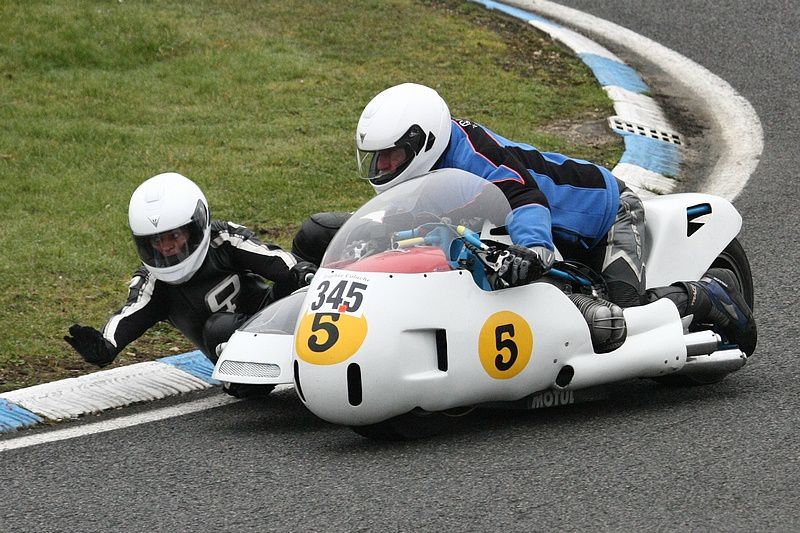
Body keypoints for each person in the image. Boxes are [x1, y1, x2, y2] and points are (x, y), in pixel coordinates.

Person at [301, 83, 756, 355]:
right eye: (375, 161)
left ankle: (705, 297)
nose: (381, 170)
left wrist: (533, 249)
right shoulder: (428, 170)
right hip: (534, 231)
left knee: (625, 322)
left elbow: (524, 198)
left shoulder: (472, 157)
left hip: (606, 214)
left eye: (390, 158)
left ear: (423, 143)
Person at [65, 172, 316, 367]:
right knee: (219, 327)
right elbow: (130, 315)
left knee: (316, 232)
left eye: (174, 235)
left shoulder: (223, 239)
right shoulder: (152, 283)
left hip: (276, 317)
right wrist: (104, 348)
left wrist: (302, 272)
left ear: (197, 225)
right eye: (156, 241)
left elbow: (276, 261)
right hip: (233, 359)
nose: (167, 247)